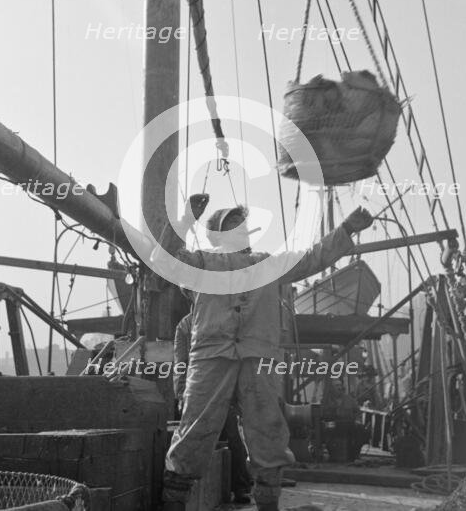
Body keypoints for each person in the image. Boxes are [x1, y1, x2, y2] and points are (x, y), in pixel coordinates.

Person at [153, 194, 373, 511]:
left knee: (268, 430)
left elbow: (311, 258)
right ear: (217, 235)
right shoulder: (202, 263)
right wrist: (186, 218)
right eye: (231, 227)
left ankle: (268, 503)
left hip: (258, 357)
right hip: (212, 355)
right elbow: (164, 260)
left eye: (241, 227)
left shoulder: (265, 264)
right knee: (194, 431)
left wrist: (346, 230)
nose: (239, 232)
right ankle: (173, 503)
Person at [173, 312, 253, 504]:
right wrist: (181, 392)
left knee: (232, 436)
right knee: (196, 438)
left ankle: (241, 487)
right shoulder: (185, 325)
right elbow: (181, 362)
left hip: (224, 385)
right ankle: (184, 489)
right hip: (199, 388)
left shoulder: (227, 317)